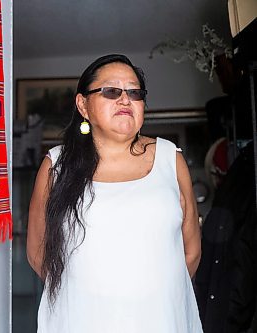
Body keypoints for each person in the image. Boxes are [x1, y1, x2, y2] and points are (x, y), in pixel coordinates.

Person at [27, 54, 203, 332]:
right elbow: (38, 252)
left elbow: (190, 251)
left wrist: (150, 297)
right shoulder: (56, 166)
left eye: (135, 92)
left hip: (161, 320)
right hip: (83, 321)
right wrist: (89, 295)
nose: (125, 100)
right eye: (111, 91)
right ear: (83, 105)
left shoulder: (170, 158)